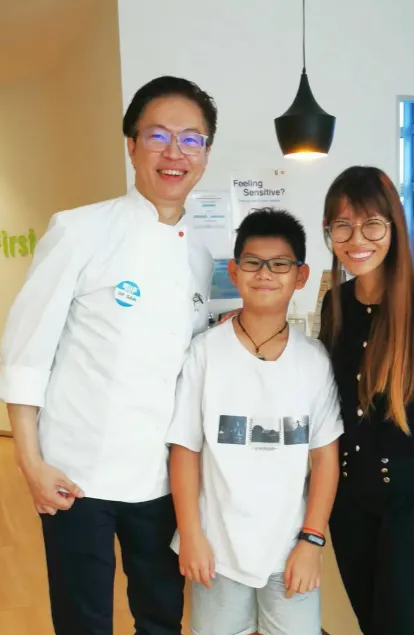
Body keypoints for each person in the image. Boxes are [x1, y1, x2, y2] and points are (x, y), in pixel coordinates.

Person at [0, 76, 218, 635]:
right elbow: (26, 353)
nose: (175, 152)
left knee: (162, 617)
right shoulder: (79, 229)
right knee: (83, 622)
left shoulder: (201, 256)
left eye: (191, 139)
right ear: (132, 145)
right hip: (76, 475)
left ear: (206, 152)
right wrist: (30, 462)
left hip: (160, 479)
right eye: (158, 135)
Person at [166, 208, 343, 635]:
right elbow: (185, 450)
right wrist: (190, 535)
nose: (265, 274)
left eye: (280, 264)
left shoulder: (314, 361)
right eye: (252, 262)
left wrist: (312, 540)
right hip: (217, 550)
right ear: (234, 271)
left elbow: (326, 459)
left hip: (291, 550)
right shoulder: (205, 353)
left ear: (300, 276)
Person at [318, 166, 414, 635]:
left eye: (372, 224)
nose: (356, 239)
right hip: (349, 503)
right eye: (342, 226)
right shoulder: (335, 304)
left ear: (394, 227)